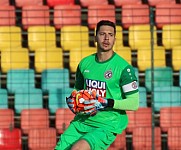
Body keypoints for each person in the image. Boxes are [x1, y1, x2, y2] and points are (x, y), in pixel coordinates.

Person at [55, 20, 139, 150]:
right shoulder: (85, 63)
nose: (106, 38)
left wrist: (107, 102)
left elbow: (134, 103)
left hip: (106, 125)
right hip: (81, 121)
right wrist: (74, 101)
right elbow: (77, 90)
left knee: (78, 148)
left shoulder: (124, 68)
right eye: (102, 34)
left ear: (115, 39)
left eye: (110, 35)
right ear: (95, 37)